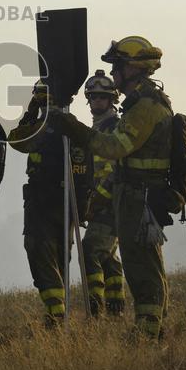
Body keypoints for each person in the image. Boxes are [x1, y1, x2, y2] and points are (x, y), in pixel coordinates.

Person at [50, 36, 179, 338]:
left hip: (139, 197)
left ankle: (147, 335)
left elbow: (115, 147)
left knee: (142, 268)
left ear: (132, 68)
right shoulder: (141, 103)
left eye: (117, 66)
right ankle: (152, 329)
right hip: (134, 195)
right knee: (140, 263)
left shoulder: (145, 106)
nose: (113, 73)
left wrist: (74, 128)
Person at [7, 81, 92, 326]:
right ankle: (58, 310)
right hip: (59, 203)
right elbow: (16, 141)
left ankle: (56, 312)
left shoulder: (46, 129)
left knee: (40, 251)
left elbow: (17, 140)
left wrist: (31, 113)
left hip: (48, 203)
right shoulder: (73, 128)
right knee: (57, 255)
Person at [79, 70, 127, 317]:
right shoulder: (96, 128)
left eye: (102, 97)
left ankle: (95, 307)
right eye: (93, 97)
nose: (97, 101)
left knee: (90, 250)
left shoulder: (114, 128)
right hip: (101, 203)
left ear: (112, 100)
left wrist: (96, 200)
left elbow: (114, 170)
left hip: (109, 202)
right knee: (108, 257)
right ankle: (116, 309)